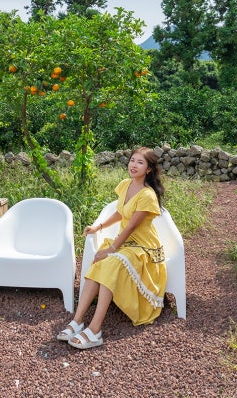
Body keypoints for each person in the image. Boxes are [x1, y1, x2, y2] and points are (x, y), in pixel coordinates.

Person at [57, 146, 167, 349]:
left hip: (143, 248)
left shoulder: (147, 195)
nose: (133, 165)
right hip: (125, 244)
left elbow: (132, 225)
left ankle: (95, 329)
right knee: (99, 264)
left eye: (140, 162)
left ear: (149, 169)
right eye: (132, 160)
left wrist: (112, 248)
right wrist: (98, 226)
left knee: (109, 263)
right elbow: (120, 213)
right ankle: (78, 320)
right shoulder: (125, 185)